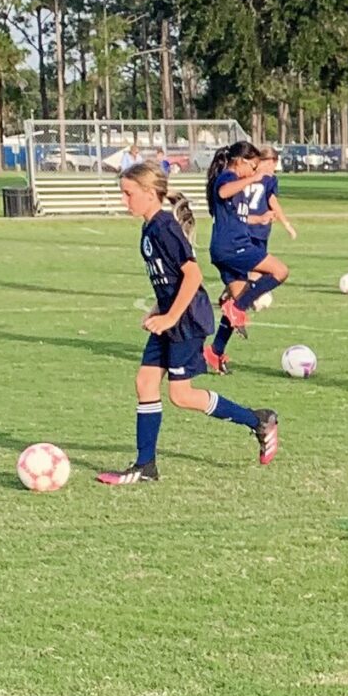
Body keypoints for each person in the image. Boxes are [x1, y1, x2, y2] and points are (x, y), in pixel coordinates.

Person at [96, 160, 277, 486]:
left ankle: (258, 420)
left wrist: (169, 316)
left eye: (128, 193)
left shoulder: (165, 227)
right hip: (171, 319)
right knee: (145, 383)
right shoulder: (150, 227)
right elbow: (169, 279)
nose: (124, 200)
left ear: (149, 193)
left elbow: (192, 275)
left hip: (187, 321)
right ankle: (145, 466)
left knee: (181, 396)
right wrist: (158, 309)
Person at [206, 140, 294, 369]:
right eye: (252, 166)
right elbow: (223, 191)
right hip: (233, 246)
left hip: (224, 248)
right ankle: (236, 308)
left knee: (240, 299)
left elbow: (239, 217)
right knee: (280, 271)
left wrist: (260, 219)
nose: (254, 171)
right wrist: (253, 179)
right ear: (240, 161)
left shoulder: (238, 185)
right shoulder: (228, 177)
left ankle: (215, 352)